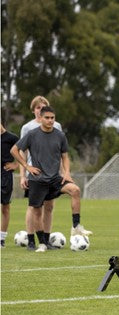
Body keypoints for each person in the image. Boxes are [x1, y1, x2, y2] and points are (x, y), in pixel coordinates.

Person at [11, 106, 92, 252]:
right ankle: (41, 243)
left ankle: (76, 226)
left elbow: (65, 156)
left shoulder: (60, 135)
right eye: (47, 118)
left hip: (55, 179)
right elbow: (14, 150)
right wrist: (27, 167)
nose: (50, 120)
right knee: (37, 211)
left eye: (52, 118)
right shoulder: (32, 134)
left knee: (75, 190)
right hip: (37, 180)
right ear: (41, 118)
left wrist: (67, 172)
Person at [19, 96, 63, 249]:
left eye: (43, 107)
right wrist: (23, 174)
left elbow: (60, 151)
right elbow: (21, 152)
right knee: (34, 207)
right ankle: (31, 239)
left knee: (49, 206)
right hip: (35, 174)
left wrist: (63, 172)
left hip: (52, 173)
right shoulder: (27, 128)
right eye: (38, 108)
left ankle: (46, 239)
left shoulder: (57, 126)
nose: (40, 110)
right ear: (34, 110)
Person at [1, 123, 19, 248]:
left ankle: (1, 239)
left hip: (5, 175)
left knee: (5, 207)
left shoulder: (12, 138)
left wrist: (16, 165)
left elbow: (24, 151)